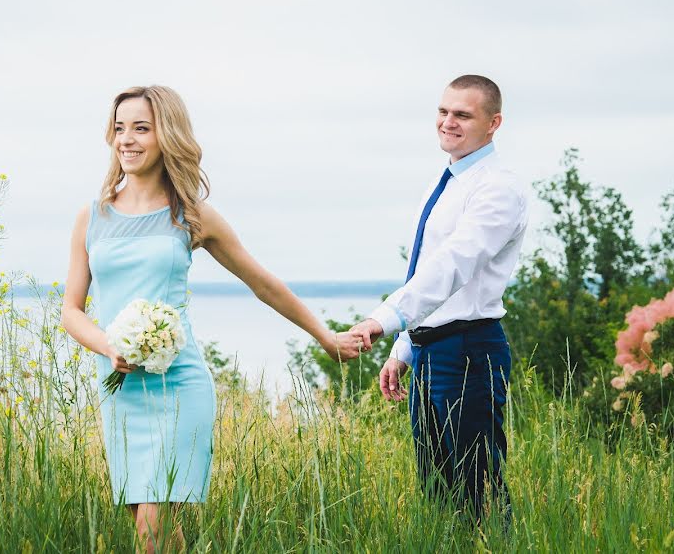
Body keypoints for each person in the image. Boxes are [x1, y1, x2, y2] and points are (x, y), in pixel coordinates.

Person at [60, 85, 363, 552]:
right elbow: (71, 310)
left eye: (141, 128)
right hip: (118, 387)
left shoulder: (191, 215)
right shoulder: (92, 217)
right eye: (119, 128)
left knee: (152, 526)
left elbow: (262, 283)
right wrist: (108, 346)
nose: (127, 139)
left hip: (178, 384)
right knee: (154, 528)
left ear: (168, 136)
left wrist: (325, 337)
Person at [351, 75, 528, 519]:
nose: (448, 122)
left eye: (462, 115)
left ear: (494, 123)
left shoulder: (497, 188)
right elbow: (430, 270)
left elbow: (453, 265)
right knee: (438, 492)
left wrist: (384, 318)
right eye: (443, 111)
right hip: (432, 351)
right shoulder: (452, 180)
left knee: (477, 489)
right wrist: (406, 346)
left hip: (469, 351)